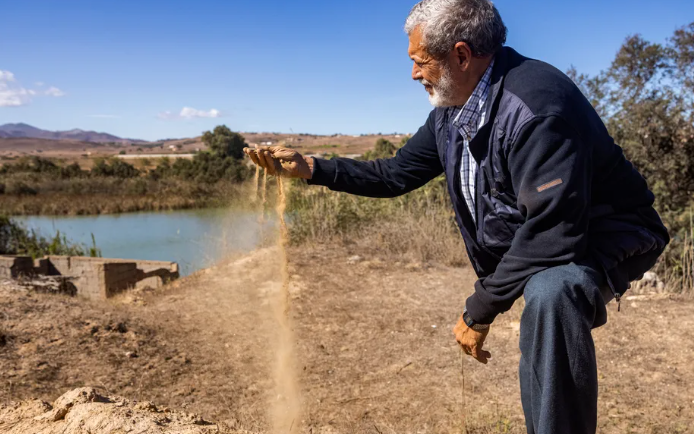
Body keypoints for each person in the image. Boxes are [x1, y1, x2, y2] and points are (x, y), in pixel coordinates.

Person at [245, 0, 669, 432]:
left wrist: (479, 310)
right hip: (551, 232)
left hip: (611, 230)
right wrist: (312, 167)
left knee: (552, 292)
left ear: (462, 55)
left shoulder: (538, 108)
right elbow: (394, 174)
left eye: (420, 61)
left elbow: (552, 233)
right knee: (544, 296)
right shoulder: (452, 112)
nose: (413, 73)